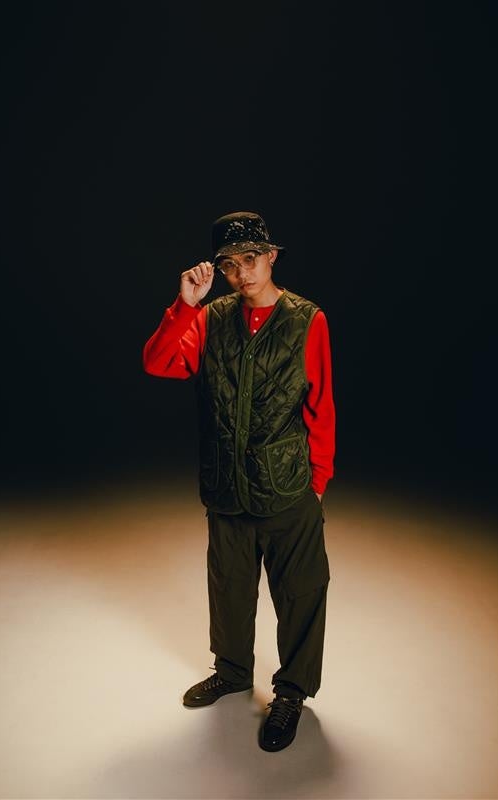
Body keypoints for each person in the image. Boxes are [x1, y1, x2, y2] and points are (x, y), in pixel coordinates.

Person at [142, 210, 336, 752]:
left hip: (288, 484)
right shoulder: (209, 318)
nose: (241, 273)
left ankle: (291, 691)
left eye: (251, 259)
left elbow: (321, 404)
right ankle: (231, 671)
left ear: (271, 257)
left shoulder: (307, 320)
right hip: (226, 483)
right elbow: (157, 362)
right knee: (228, 585)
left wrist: (318, 480)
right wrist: (184, 306)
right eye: (229, 264)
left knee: (300, 591)